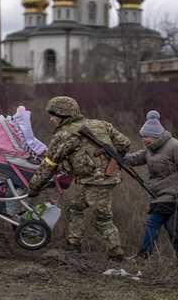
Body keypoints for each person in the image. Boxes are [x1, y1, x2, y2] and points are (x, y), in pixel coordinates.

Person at [27, 96, 130, 262]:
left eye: (53, 115)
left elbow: (49, 165)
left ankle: (116, 254)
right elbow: (125, 144)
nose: (50, 119)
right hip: (98, 179)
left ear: (64, 116)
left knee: (102, 219)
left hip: (98, 182)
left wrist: (33, 187)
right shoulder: (101, 124)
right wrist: (110, 160)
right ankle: (73, 245)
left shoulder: (64, 135)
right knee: (74, 209)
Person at [125, 110, 178, 268]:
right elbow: (135, 158)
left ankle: (143, 256)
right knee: (173, 230)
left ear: (158, 136)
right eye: (143, 137)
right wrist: (118, 155)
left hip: (176, 196)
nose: (145, 140)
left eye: (148, 137)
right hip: (159, 195)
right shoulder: (151, 150)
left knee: (153, 223)